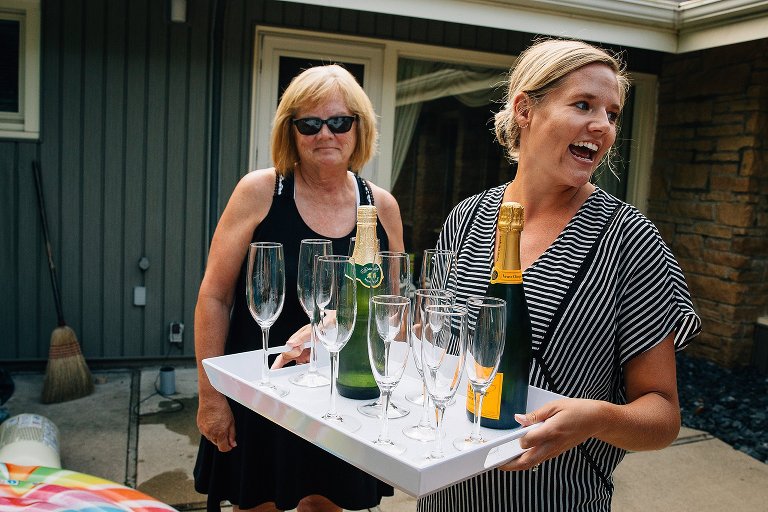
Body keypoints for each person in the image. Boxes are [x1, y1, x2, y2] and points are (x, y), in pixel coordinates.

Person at [419, 39, 701, 512]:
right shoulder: (467, 217)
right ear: (525, 109)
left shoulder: (629, 239)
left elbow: (662, 414)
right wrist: (330, 334)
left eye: (612, 113)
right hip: (445, 494)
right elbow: (432, 339)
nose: (602, 126)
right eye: (583, 105)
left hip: (559, 499)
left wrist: (597, 419)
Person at [193, 64, 403, 512]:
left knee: (325, 505)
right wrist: (211, 397)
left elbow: (394, 308)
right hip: (261, 390)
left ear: (358, 128)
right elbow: (215, 296)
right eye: (309, 123)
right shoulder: (260, 191)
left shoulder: (381, 206)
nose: (325, 133)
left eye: (339, 121)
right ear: (290, 131)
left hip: (343, 396)